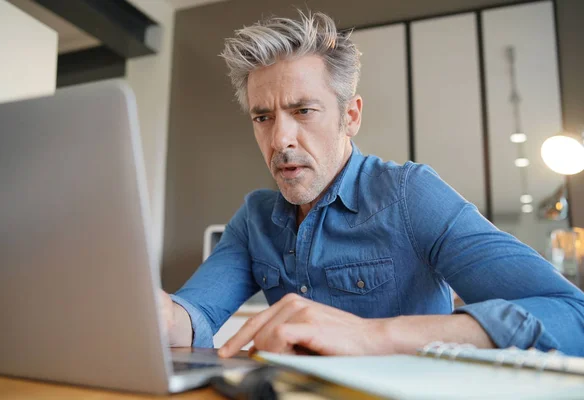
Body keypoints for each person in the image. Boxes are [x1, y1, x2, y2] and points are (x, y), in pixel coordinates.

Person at [159, 11, 584, 357]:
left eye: (304, 110)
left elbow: (572, 314)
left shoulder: (410, 194)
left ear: (351, 116)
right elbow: (192, 315)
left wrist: (375, 336)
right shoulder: (254, 219)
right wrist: (158, 314)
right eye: (262, 117)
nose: (280, 139)